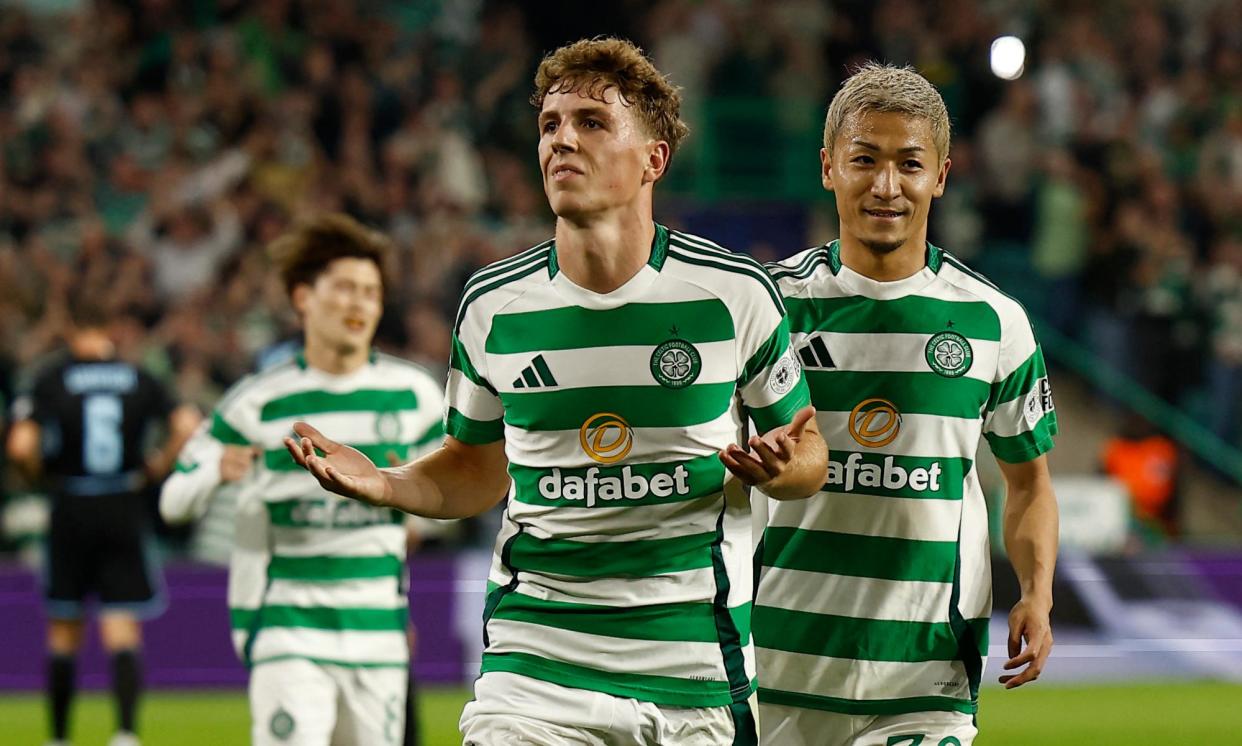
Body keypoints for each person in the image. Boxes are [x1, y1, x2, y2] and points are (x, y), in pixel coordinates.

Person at [285, 37, 828, 745]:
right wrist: (390, 484)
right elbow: (476, 468)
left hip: (693, 670)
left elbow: (810, 451)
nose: (562, 140)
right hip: (535, 666)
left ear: (652, 161)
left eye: (592, 123)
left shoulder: (734, 294)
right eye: (550, 125)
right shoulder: (493, 305)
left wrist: (787, 470)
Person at [754, 63, 1061, 746]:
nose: (886, 186)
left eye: (909, 164)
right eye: (864, 160)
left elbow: (1029, 483)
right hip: (776, 670)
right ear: (829, 167)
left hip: (926, 681)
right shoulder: (768, 309)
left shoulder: (993, 321)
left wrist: (1037, 593)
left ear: (942, 175)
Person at [159, 214, 445, 746]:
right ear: (303, 299)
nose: (359, 304)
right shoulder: (257, 401)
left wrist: (416, 522)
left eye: (370, 292)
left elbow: (453, 494)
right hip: (289, 632)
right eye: (344, 289)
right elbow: (173, 501)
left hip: (378, 638)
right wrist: (214, 474)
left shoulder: (415, 396)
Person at [6, 300, 199, 746]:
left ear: (72, 328)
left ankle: (59, 737)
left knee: (63, 629)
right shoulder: (137, 376)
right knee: (121, 625)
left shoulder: (51, 376)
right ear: (110, 328)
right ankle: (126, 733)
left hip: (71, 502)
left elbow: (21, 445)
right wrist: (156, 467)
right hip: (122, 502)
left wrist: (39, 476)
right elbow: (187, 424)